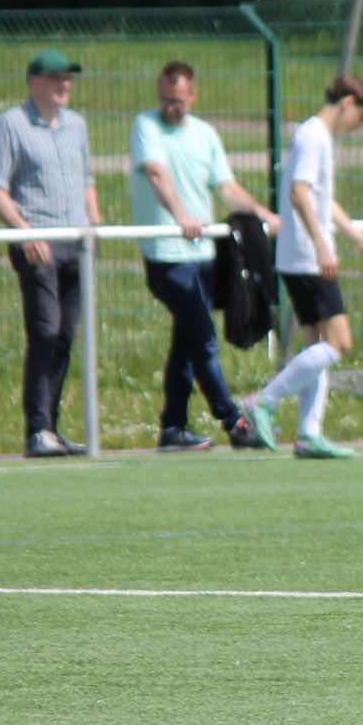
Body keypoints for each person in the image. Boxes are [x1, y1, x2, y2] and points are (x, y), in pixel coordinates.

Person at [237, 76, 363, 460]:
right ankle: (263, 401)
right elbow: (299, 193)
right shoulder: (314, 135)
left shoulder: (315, 135)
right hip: (308, 258)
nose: (355, 126)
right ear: (348, 102)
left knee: (316, 344)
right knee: (340, 343)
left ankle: (309, 433)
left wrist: (358, 238)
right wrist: (322, 246)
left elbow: (322, 198)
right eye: (360, 118)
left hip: (299, 256)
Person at [130, 61, 279, 451]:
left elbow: (226, 187)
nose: (170, 107)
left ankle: (173, 427)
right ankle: (234, 423)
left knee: (187, 341)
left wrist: (264, 216)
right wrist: (181, 216)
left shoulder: (205, 134)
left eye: (178, 100)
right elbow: (156, 174)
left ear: (193, 95)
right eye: (165, 98)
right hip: (168, 258)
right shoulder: (146, 126)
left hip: (204, 257)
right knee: (204, 339)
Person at [0, 49, 101, 459]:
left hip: (77, 243)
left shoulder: (77, 126)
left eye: (67, 78)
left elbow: (86, 179)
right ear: (35, 81)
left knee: (66, 335)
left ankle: (51, 426)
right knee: (46, 331)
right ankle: (37, 429)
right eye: (55, 78)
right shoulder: (11, 124)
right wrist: (25, 232)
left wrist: (95, 224)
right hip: (38, 245)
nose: (64, 85)